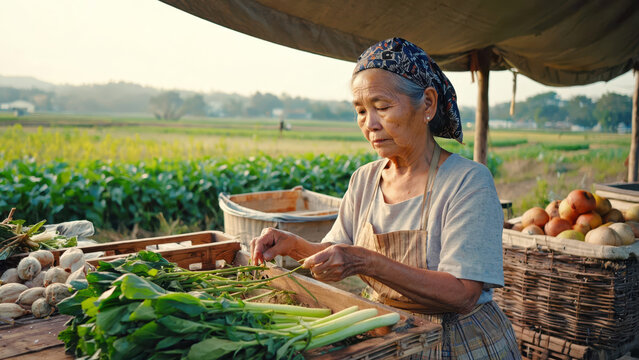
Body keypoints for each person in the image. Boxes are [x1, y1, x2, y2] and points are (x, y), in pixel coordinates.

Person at [251, 37, 520, 359]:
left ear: (428, 105)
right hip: (388, 333)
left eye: (382, 107)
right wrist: (294, 245)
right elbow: (339, 250)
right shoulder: (364, 179)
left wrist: (366, 261)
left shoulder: (467, 182)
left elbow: (462, 293)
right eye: (361, 111)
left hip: (456, 341)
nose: (370, 124)